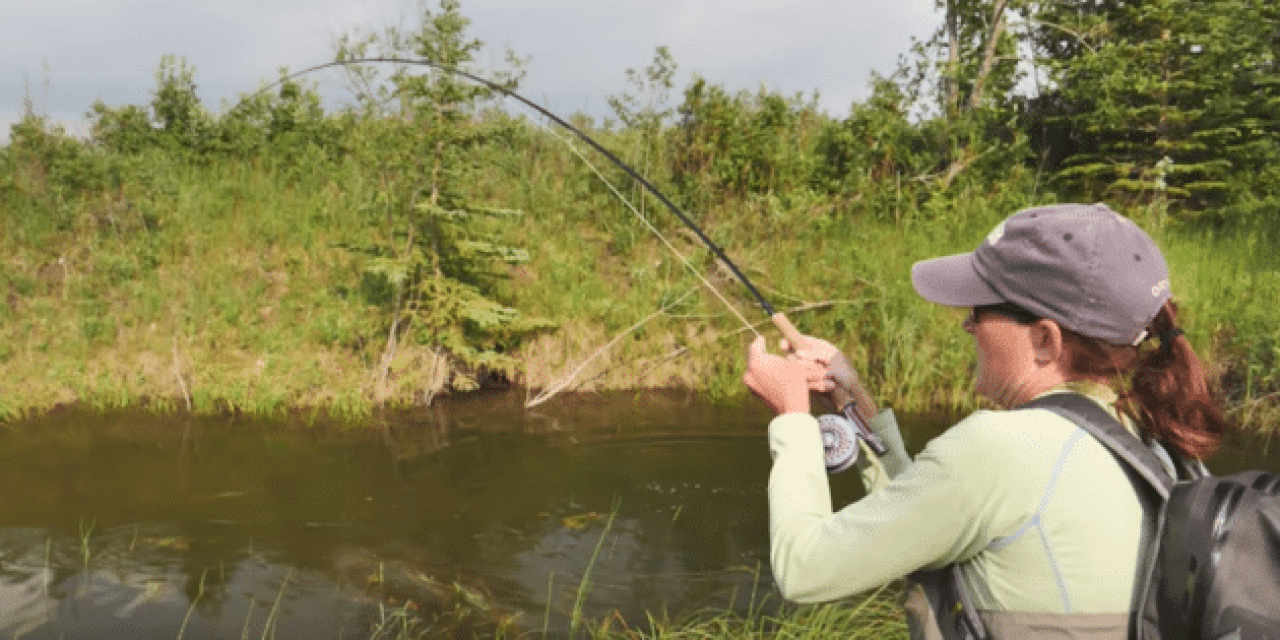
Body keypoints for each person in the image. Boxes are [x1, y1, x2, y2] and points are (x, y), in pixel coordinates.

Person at [742, 203, 1231, 639]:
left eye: (980, 308)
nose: (967, 324)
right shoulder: (1159, 441)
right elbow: (937, 518)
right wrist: (856, 401)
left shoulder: (999, 447)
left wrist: (792, 417)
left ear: (1045, 339)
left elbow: (804, 568)